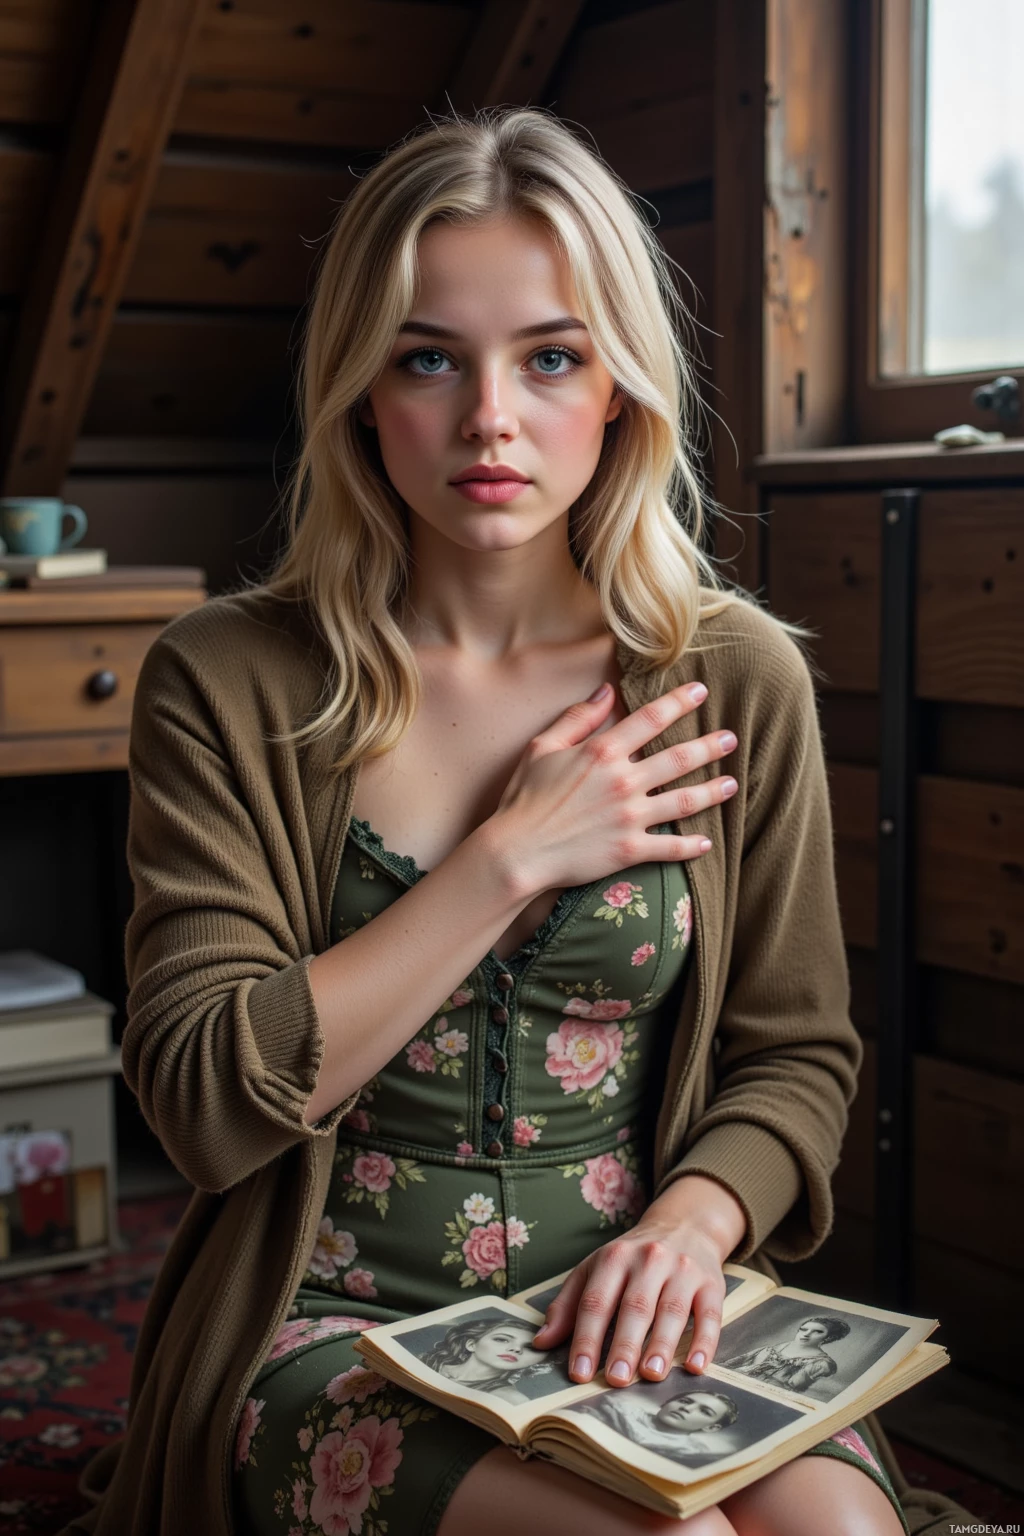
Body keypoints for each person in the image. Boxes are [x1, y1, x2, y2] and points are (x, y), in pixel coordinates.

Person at [63, 109, 909, 1536]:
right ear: (358, 390)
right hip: (329, 1320)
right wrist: (509, 860)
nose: (490, 419)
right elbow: (206, 1104)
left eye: (552, 356)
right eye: (429, 358)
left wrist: (689, 1227)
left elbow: (798, 1057)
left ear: (623, 386)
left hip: (637, 1304)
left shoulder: (732, 679)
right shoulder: (228, 677)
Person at [578, 1386, 740, 1462]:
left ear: (711, 1427)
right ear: (666, 1403)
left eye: (705, 1411)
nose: (687, 1408)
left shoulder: (690, 1453)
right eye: (684, 1401)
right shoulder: (616, 1410)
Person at [420, 1317, 554, 1403]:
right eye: (501, 1339)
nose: (516, 1349)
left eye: (531, 1347)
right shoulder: (427, 1361)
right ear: (471, 1344)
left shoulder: (510, 1399)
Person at [725, 1315, 852, 1395]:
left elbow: (792, 1389)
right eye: (803, 1329)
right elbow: (739, 1360)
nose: (806, 1334)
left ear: (828, 1338)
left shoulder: (822, 1364)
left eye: (817, 1332)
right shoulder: (778, 1347)